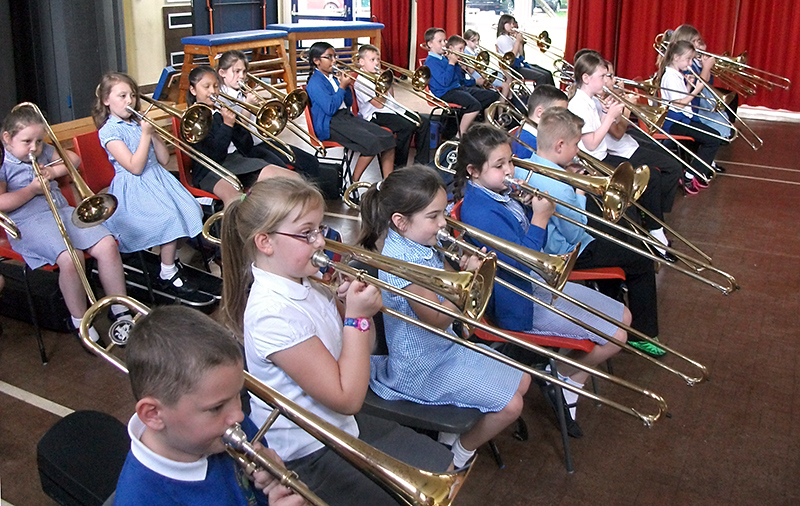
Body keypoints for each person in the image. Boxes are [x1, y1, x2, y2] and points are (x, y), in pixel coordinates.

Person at [219, 177, 453, 506]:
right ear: (265, 242)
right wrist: (356, 318)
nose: (321, 242)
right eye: (307, 233)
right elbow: (347, 398)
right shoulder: (272, 313)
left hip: (340, 427)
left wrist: (349, 311)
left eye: (320, 229)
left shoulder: (306, 282)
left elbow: (362, 350)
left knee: (443, 466)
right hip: (311, 451)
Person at [454, 123, 630, 436]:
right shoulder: (479, 212)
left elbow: (524, 247)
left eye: (510, 160)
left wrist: (522, 206)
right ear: (473, 171)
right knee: (618, 332)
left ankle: (564, 379)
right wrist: (539, 218)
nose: (509, 170)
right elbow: (520, 263)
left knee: (623, 319)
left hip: (534, 286)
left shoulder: (497, 194)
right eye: (499, 165)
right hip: (519, 303)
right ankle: (564, 380)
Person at [358, 165, 531, 467]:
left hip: (444, 349)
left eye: (443, 212)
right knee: (512, 405)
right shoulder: (402, 262)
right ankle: (459, 455)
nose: (443, 223)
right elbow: (436, 318)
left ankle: (446, 440)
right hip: (420, 367)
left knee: (525, 379)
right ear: (400, 222)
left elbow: (447, 279)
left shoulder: (423, 241)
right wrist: (470, 284)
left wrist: (461, 268)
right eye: (433, 216)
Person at [115, 305, 305, 506]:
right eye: (216, 408)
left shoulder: (228, 428)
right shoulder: (140, 498)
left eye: (237, 395)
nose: (239, 415)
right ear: (153, 414)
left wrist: (273, 487)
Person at [519, 107, 664, 357]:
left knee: (620, 231)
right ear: (560, 145)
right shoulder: (559, 186)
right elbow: (577, 233)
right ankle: (644, 333)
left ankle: (614, 302)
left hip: (558, 243)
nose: (578, 151)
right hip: (571, 253)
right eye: (576, 145)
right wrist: (578, 190)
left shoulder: (524, 166)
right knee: (641, 257)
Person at [1, 104, 130, 343]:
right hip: (27, 222)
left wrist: (52, 172)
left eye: (39, 141)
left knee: (107, 245)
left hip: (61, 211)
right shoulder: (3, 162)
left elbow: (73, 158)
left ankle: (119, 308)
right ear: (7, 138)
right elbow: (1, 202)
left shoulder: (41, 152)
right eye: (27, 142)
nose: (34, 148)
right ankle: (80, 321)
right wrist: (31, 190)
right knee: (71, 258)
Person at [93, 72, 203, 296]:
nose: (129, 101)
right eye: (122, 96)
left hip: (158, 180)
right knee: (170, 218)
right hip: (133, 188)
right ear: (106, 100)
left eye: (132, 95)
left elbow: (163, 159)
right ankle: (167, 271)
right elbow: (134, 167)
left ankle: (168, 258)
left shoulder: (137, 124)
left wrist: (153, 134)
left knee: (192, 210)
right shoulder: (109, 131)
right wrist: (145, 135)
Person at [568, 52, 676, 259]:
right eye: (602, 76)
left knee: (650, 177)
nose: (605, 80)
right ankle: (646, 240)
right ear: (586, 78)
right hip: (595, 163)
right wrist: (609, 117)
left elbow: (603, 130)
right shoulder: (578, 105)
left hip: (603, 156)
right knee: (635, 189)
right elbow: (590, 144)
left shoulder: (590, 100)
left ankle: (655, 231)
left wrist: (609, 114)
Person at [186, 65, 299, 204]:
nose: (213, 91)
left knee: (292, 179)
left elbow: (246, 146)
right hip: (209, 169)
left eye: (215, 86)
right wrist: (227, 126)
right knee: (235, 199)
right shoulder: (191, 120)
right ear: (193, 90)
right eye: (206, 86)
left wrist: (237, 124)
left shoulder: (220, 111)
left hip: (237, 162)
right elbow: (214, 155)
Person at [215, 50, 323, 182]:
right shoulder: (220, 98)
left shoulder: (243, 91)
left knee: (309, 161)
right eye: (236, 72)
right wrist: (248, 106)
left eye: (244, 72)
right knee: (284, 172)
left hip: (260, 141)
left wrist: (277, 113)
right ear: (222, 73)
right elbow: (237, 127)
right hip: (245, 149)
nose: (241, 76)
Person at [306, 41, 396, 183]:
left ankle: (388, 182)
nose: (334, 60)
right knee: (372, 143)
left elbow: (347, 102)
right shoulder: (315, 82)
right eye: (329, 57)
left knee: (388, 138)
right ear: (316, 61)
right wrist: (342, 86)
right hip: (330, 123)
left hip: (345, 117)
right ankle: (353, 182)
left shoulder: (333, 77)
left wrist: (346, 87)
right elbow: (330, 108)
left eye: (334, 56)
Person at [658, 39, 724, 194]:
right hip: (675, 122)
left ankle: (694, 172)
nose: (689, 63)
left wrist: (688, 86)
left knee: (713, 136)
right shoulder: (670, 77)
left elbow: (679, 99)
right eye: (687, 59)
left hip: (682, 118)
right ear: (675, 57)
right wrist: (697, 88)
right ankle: (689, 175)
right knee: (714, 138)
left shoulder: (677, 74)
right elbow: (679, 104)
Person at [354, 44, 431, 167]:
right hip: (375, 115)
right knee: (406, 126)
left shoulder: (377, 76)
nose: (376, 63)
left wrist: (387, 83)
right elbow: (379, 105)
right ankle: (399, 164)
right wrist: (383, 85)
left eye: (378, 59)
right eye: (372, 60)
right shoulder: (361, 81)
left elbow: (391, 98)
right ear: (361, 62)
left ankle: (422, 162)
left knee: (424, 122)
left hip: (392, 109)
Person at [423, 27, 499, 137]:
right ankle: (460, 135)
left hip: (457, 88)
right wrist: (452, 63)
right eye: (440, 41)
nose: (444, 44)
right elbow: (445, 82)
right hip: (445, 93)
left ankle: (484, 124)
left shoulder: (443, 58)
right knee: (474, 105)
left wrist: (459, 65)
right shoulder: (431, 62)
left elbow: (457, 79)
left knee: (492, 95)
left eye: (444, 41)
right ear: (430, 44)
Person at [495, 14, 555, 86]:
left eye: (513, 23)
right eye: (509, 23)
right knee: (541, 77)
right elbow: (511, 58)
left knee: (548, 73)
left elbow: (522, 56)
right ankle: (539, 96)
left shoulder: (510, 37)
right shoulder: (502, 38)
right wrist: (517, 41)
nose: (512, 26)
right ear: (503, 24)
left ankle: (553, 95)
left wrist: (521, 44)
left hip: (520, 64)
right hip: (512, 68)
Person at [511, 84, 569, 158]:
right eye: (559, 114)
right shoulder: (530, 144)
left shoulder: (536, 138)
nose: (564, 119)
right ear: (540, 113)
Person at [463, 29, 511, 99]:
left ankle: (508, 99)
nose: (476, 43)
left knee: (506, 73)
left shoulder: (475, 52)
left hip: (483, 74)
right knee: (505, 86)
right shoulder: (466, 53)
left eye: (478, 40)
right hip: (478, 77)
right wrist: (477, 60)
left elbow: (485, 66)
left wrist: (483, 57)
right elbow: (471, 71)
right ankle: (501, 108)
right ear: (465, 41)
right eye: (473, 41)